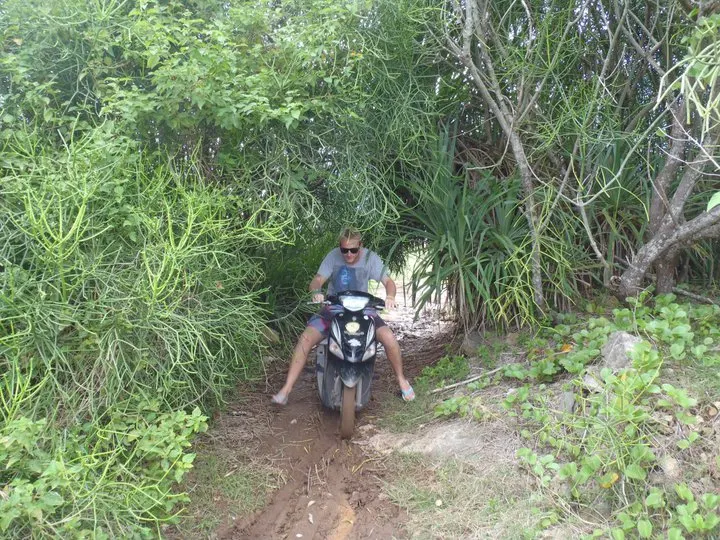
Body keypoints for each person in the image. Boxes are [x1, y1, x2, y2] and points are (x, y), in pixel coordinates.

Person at [272, 227, 415, 405]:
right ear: (340, 247)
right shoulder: (332, 257)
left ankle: (401, 380)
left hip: (363, 309)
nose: (348, 254)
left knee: (388, 337)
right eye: (344, 250)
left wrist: (390, 296)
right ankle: (287, 388)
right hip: (334, 308)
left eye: (353, 250)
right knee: (306, 338)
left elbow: (388, 282)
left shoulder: (371, 258)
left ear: (360, 246)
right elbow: (317, 279)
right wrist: (316, 291)